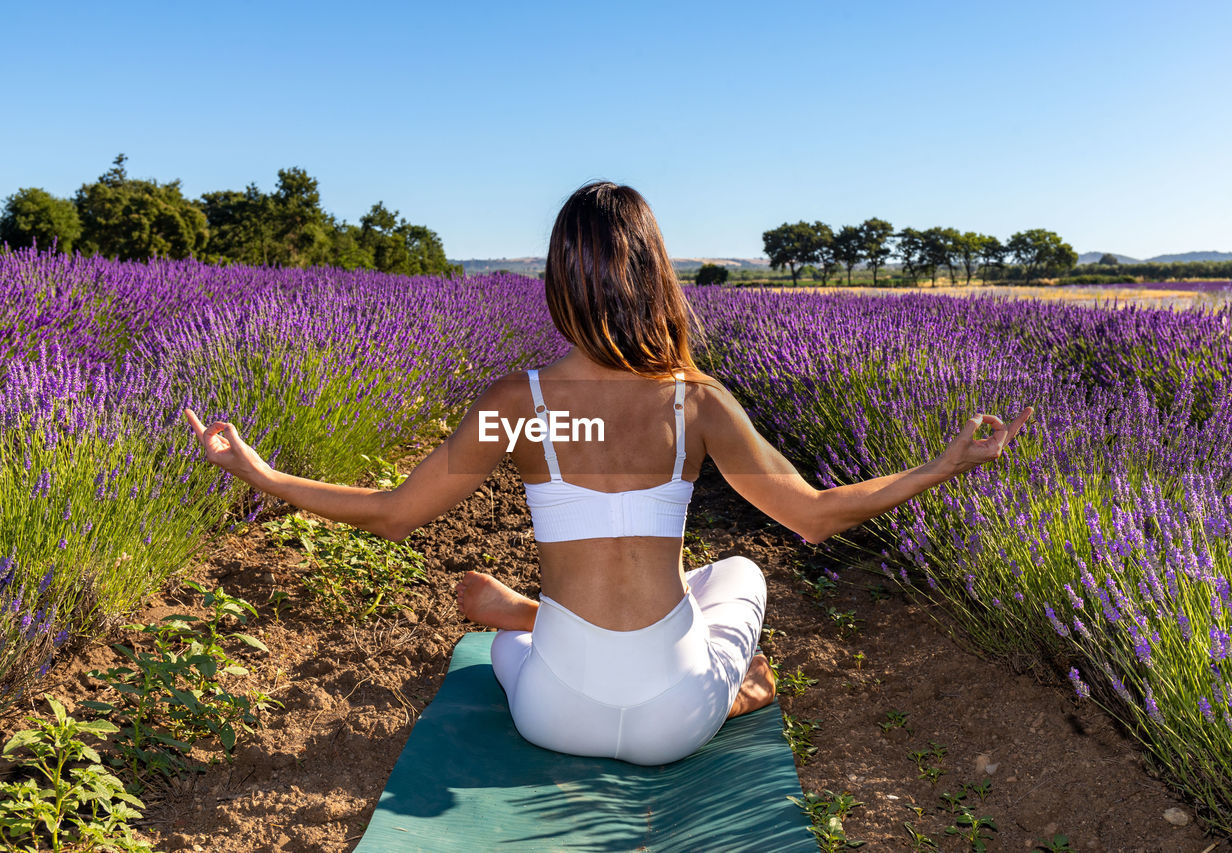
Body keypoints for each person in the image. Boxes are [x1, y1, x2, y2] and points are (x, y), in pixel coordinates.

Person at [184, 181, 1032, 766]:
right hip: (676, 720)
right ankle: (725, 686)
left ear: (560, 280)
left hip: (553, 713)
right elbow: (813, 514)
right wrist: (946, 462)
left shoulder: (519, 402)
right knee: (735, 571)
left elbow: (392, 512)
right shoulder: (695, 403)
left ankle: (528, 615)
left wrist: (261, 471)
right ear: (657, 276)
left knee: (510, 650)